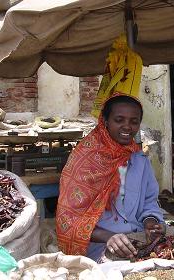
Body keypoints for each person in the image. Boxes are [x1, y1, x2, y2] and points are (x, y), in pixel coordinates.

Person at [56, 93, 165, 262]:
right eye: (119, 120)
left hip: (136, 238)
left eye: (133, 121)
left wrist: (150, 222)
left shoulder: (138, 159)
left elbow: (149, 201)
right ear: (105, 121)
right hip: (97, 246)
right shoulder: (84, 160)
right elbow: (69, 220)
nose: (127, 126)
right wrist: (109, 237)